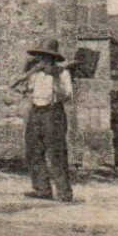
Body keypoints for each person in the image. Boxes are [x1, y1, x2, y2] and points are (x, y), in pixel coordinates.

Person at [14, 38, 75, 202]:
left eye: (47, 57)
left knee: (56, 152)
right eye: (41, 57)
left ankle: (64, 192)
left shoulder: (62, 73)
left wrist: (55, 79)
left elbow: (66, 96)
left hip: (53, 113)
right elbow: (25, 91)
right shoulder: (34, 73)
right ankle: (42, 189)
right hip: (36, 112)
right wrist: (23, 82)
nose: (43, 60)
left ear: (53, 58)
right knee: (33, 150)